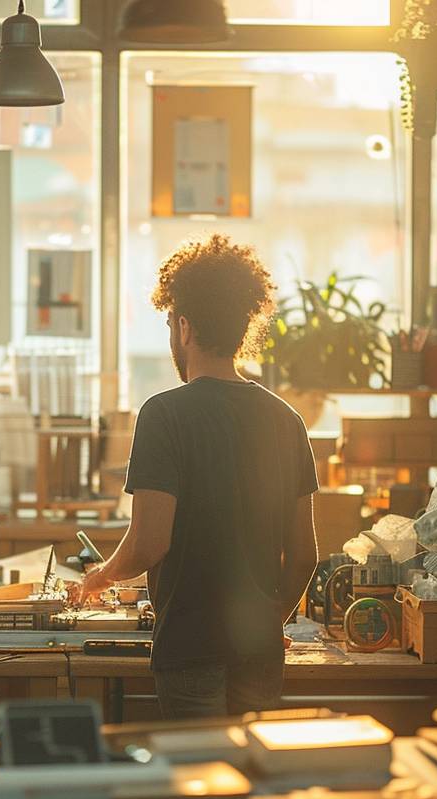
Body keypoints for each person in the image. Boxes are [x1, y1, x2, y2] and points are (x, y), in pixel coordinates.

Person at [72, 235, 319, 719]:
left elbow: (149, 543)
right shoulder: (286, 419)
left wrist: (101, 576)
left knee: (203, 781)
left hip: (189, 645)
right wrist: (271, 622)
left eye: (169, 324)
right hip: (259, 652)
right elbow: (306, 554)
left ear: (183, 327)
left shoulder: (164, 414)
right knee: (250, 777)